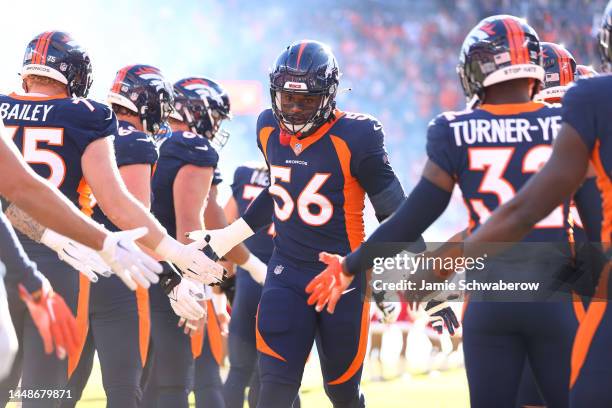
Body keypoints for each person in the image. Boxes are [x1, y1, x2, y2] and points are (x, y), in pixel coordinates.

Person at [305, 16, 584, 407]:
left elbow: (410, 218)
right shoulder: (566, 123)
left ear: (474, 71)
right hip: (556, 298)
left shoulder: (455, 129)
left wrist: (351, 265)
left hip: (491, 304)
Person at [188, 40, 436, 407]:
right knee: (272, 389)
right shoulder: (267, 128)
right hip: (285, 274)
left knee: (341, 392)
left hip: (342, 278)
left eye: (306, 99)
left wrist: (432, 284)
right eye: (288, 98)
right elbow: (279, 194)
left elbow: (396, 213)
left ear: (329, 95)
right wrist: (224, 239)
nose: (295, 108)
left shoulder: (357, 136)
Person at [0, 31, 223, 407]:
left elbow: (12, 197)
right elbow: (118, 202)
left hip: (9, 255)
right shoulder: (87, 116)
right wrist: (175, 259)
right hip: (63, 263)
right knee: (46, 392)